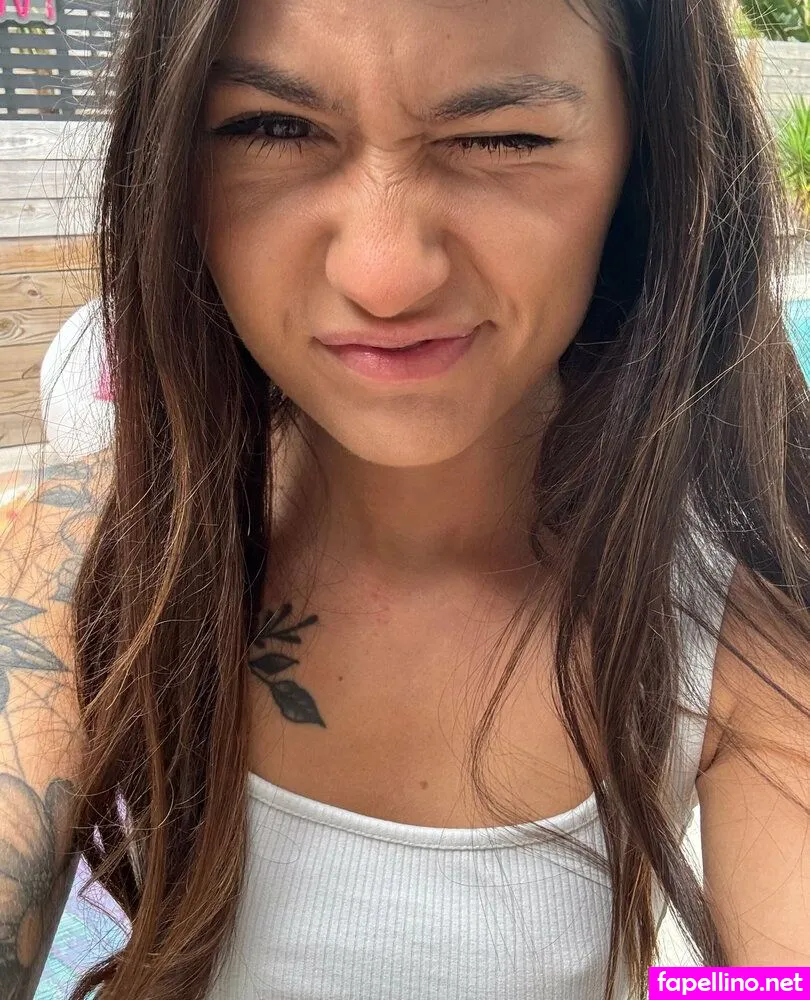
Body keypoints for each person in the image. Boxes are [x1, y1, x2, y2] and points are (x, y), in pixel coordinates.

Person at [1, 0, 809, 997]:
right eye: (274, 127)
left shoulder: (742, 637)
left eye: (502, 139)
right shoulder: (78, 558)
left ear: (644, 162)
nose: (384, 276)